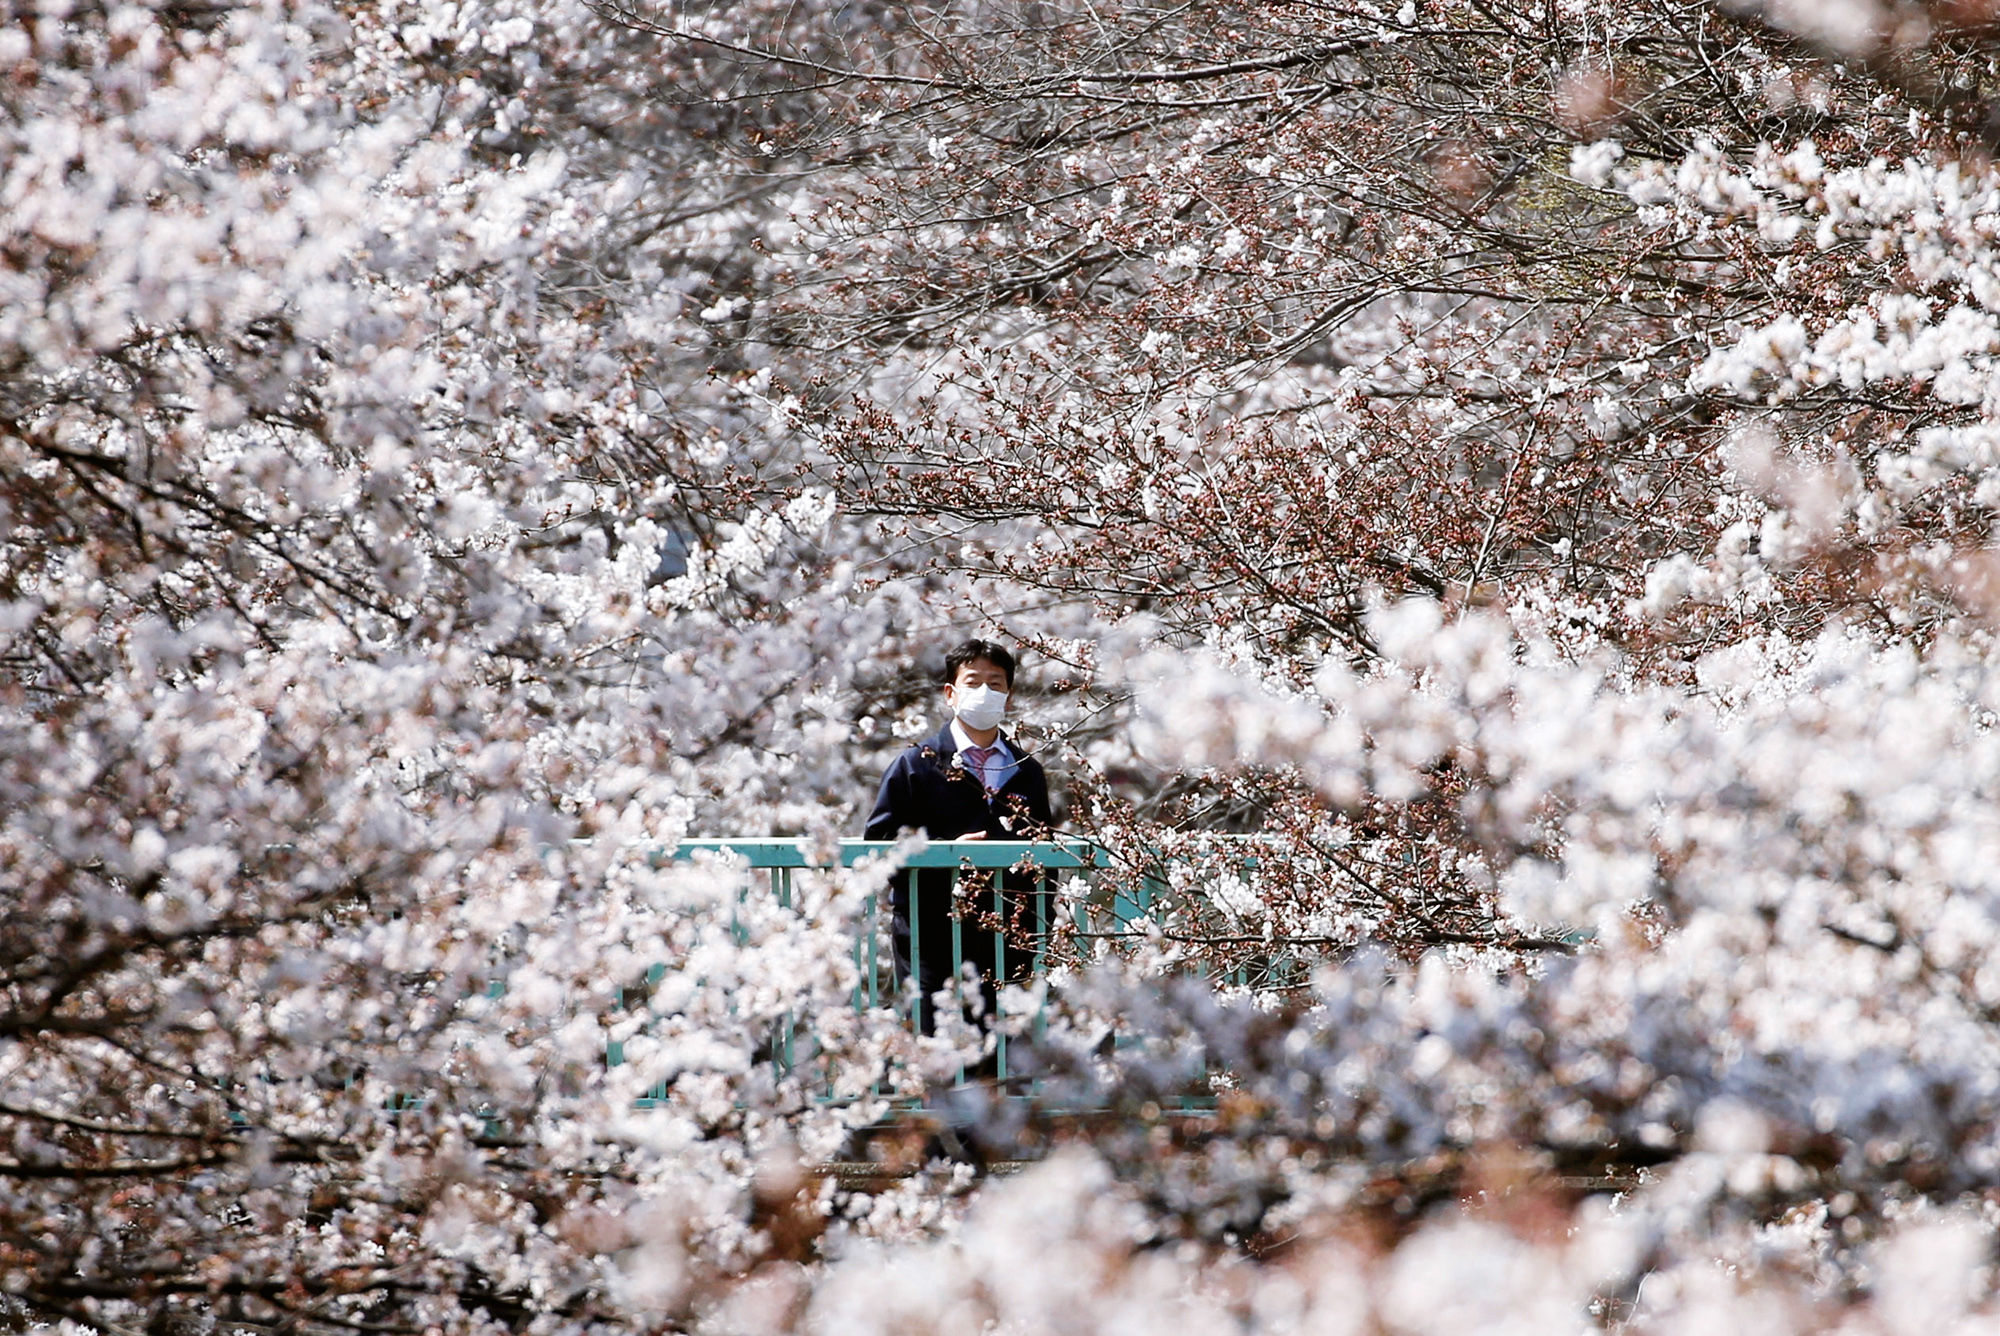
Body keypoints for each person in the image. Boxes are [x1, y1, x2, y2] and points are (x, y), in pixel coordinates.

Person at [865, 638, 1053, 1035]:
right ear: (950, 693)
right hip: (931, 934)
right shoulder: (917, 764)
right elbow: (878, 842)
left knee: (1002, 1060)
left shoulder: (1026, 770)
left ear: (1009, 695)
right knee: (937, 1049)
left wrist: (1039, 926)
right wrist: (942, 855)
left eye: (996, 683)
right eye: (973, 682)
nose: (985, 692)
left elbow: (1043, 852)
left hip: (1006, 938)